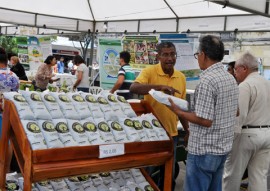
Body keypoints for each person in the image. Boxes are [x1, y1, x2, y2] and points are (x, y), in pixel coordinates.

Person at [168, 35, 239, 191]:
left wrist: (178, 110)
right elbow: (236, 110)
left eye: (197, 54)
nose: (197, 58)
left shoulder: (207, 80)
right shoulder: (230, 78)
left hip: (204, 150)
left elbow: (205, 120)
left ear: (204, 55)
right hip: (222, 147)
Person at [130, 41, 189, 190]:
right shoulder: (149, 72)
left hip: (172, 134)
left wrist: (188, 130)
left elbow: (181, 107)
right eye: (166, 55)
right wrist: (159, 87)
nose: (170, 58)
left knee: (169, 173)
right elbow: (134, 87)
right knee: (148, 172)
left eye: (172, 54)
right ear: (159, 57)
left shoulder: (181, 77)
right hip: (151, 133)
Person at [223, 52, 270, 191]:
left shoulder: (245, 86)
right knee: (259, 177)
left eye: (236, 69)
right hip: (267, 133)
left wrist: (231, 140)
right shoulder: (267, 83)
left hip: (247, 135)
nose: (235, 73)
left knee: (231, 176)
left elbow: (239, 116)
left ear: (244, 68)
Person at [0, 47, 19, 172]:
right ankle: (5, 172)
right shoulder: (14, 76)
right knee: (8, 142)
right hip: (8, 112)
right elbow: (16, 94)